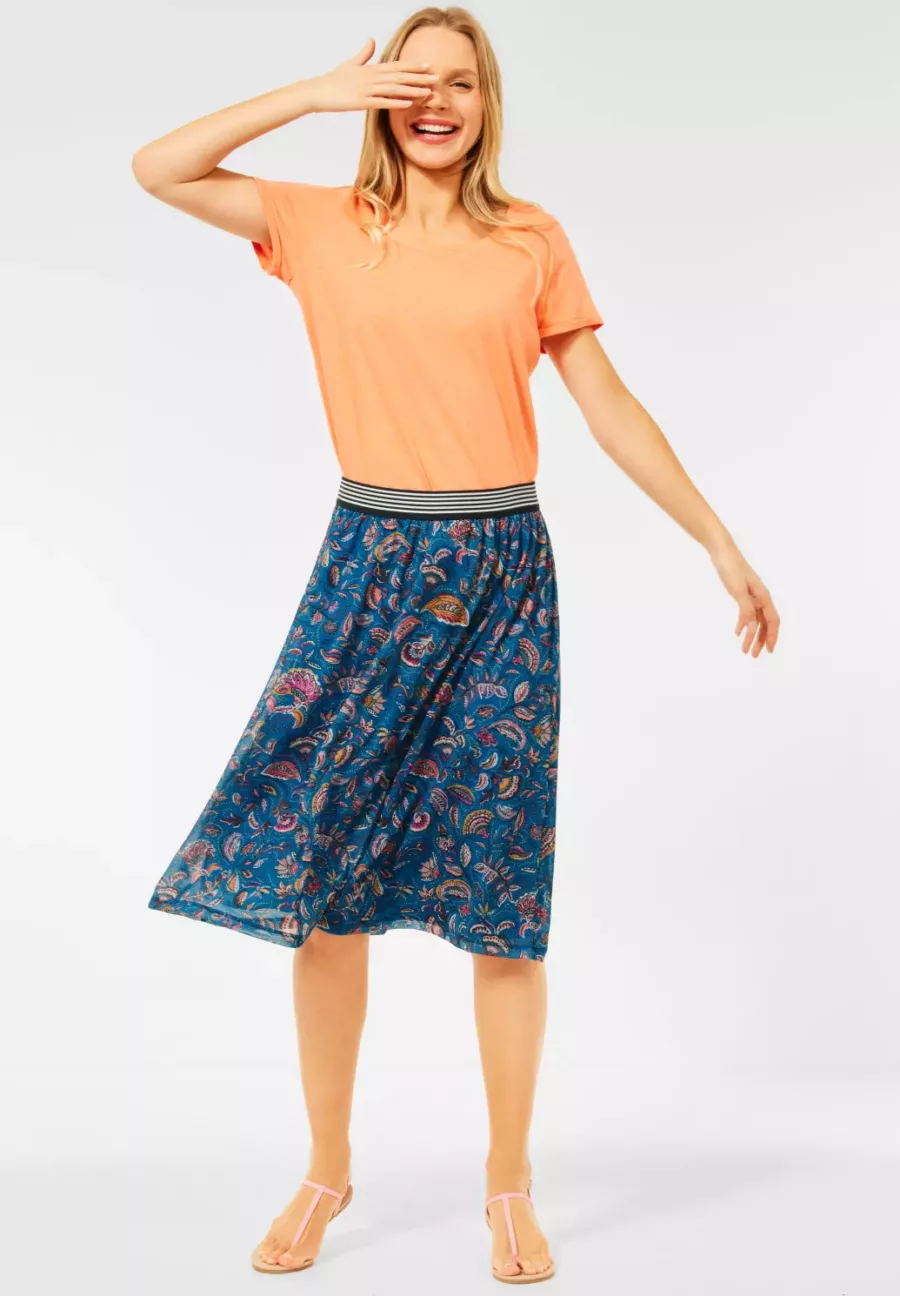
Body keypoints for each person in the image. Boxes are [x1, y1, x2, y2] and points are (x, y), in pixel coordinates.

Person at [133, 5, 780, 1284]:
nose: (436, 102)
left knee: (502, 904)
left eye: (461, 84)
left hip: (499, 578)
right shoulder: (319, 223)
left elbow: (607, 402)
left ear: (489, 105)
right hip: (369, 571)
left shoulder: (529, 238)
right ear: (382, 97)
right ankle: (326, 1171)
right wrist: (313, 93)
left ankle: (509, 1185)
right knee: (325, 895)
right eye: (412, 82)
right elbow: (159, 167)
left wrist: (718, 540)